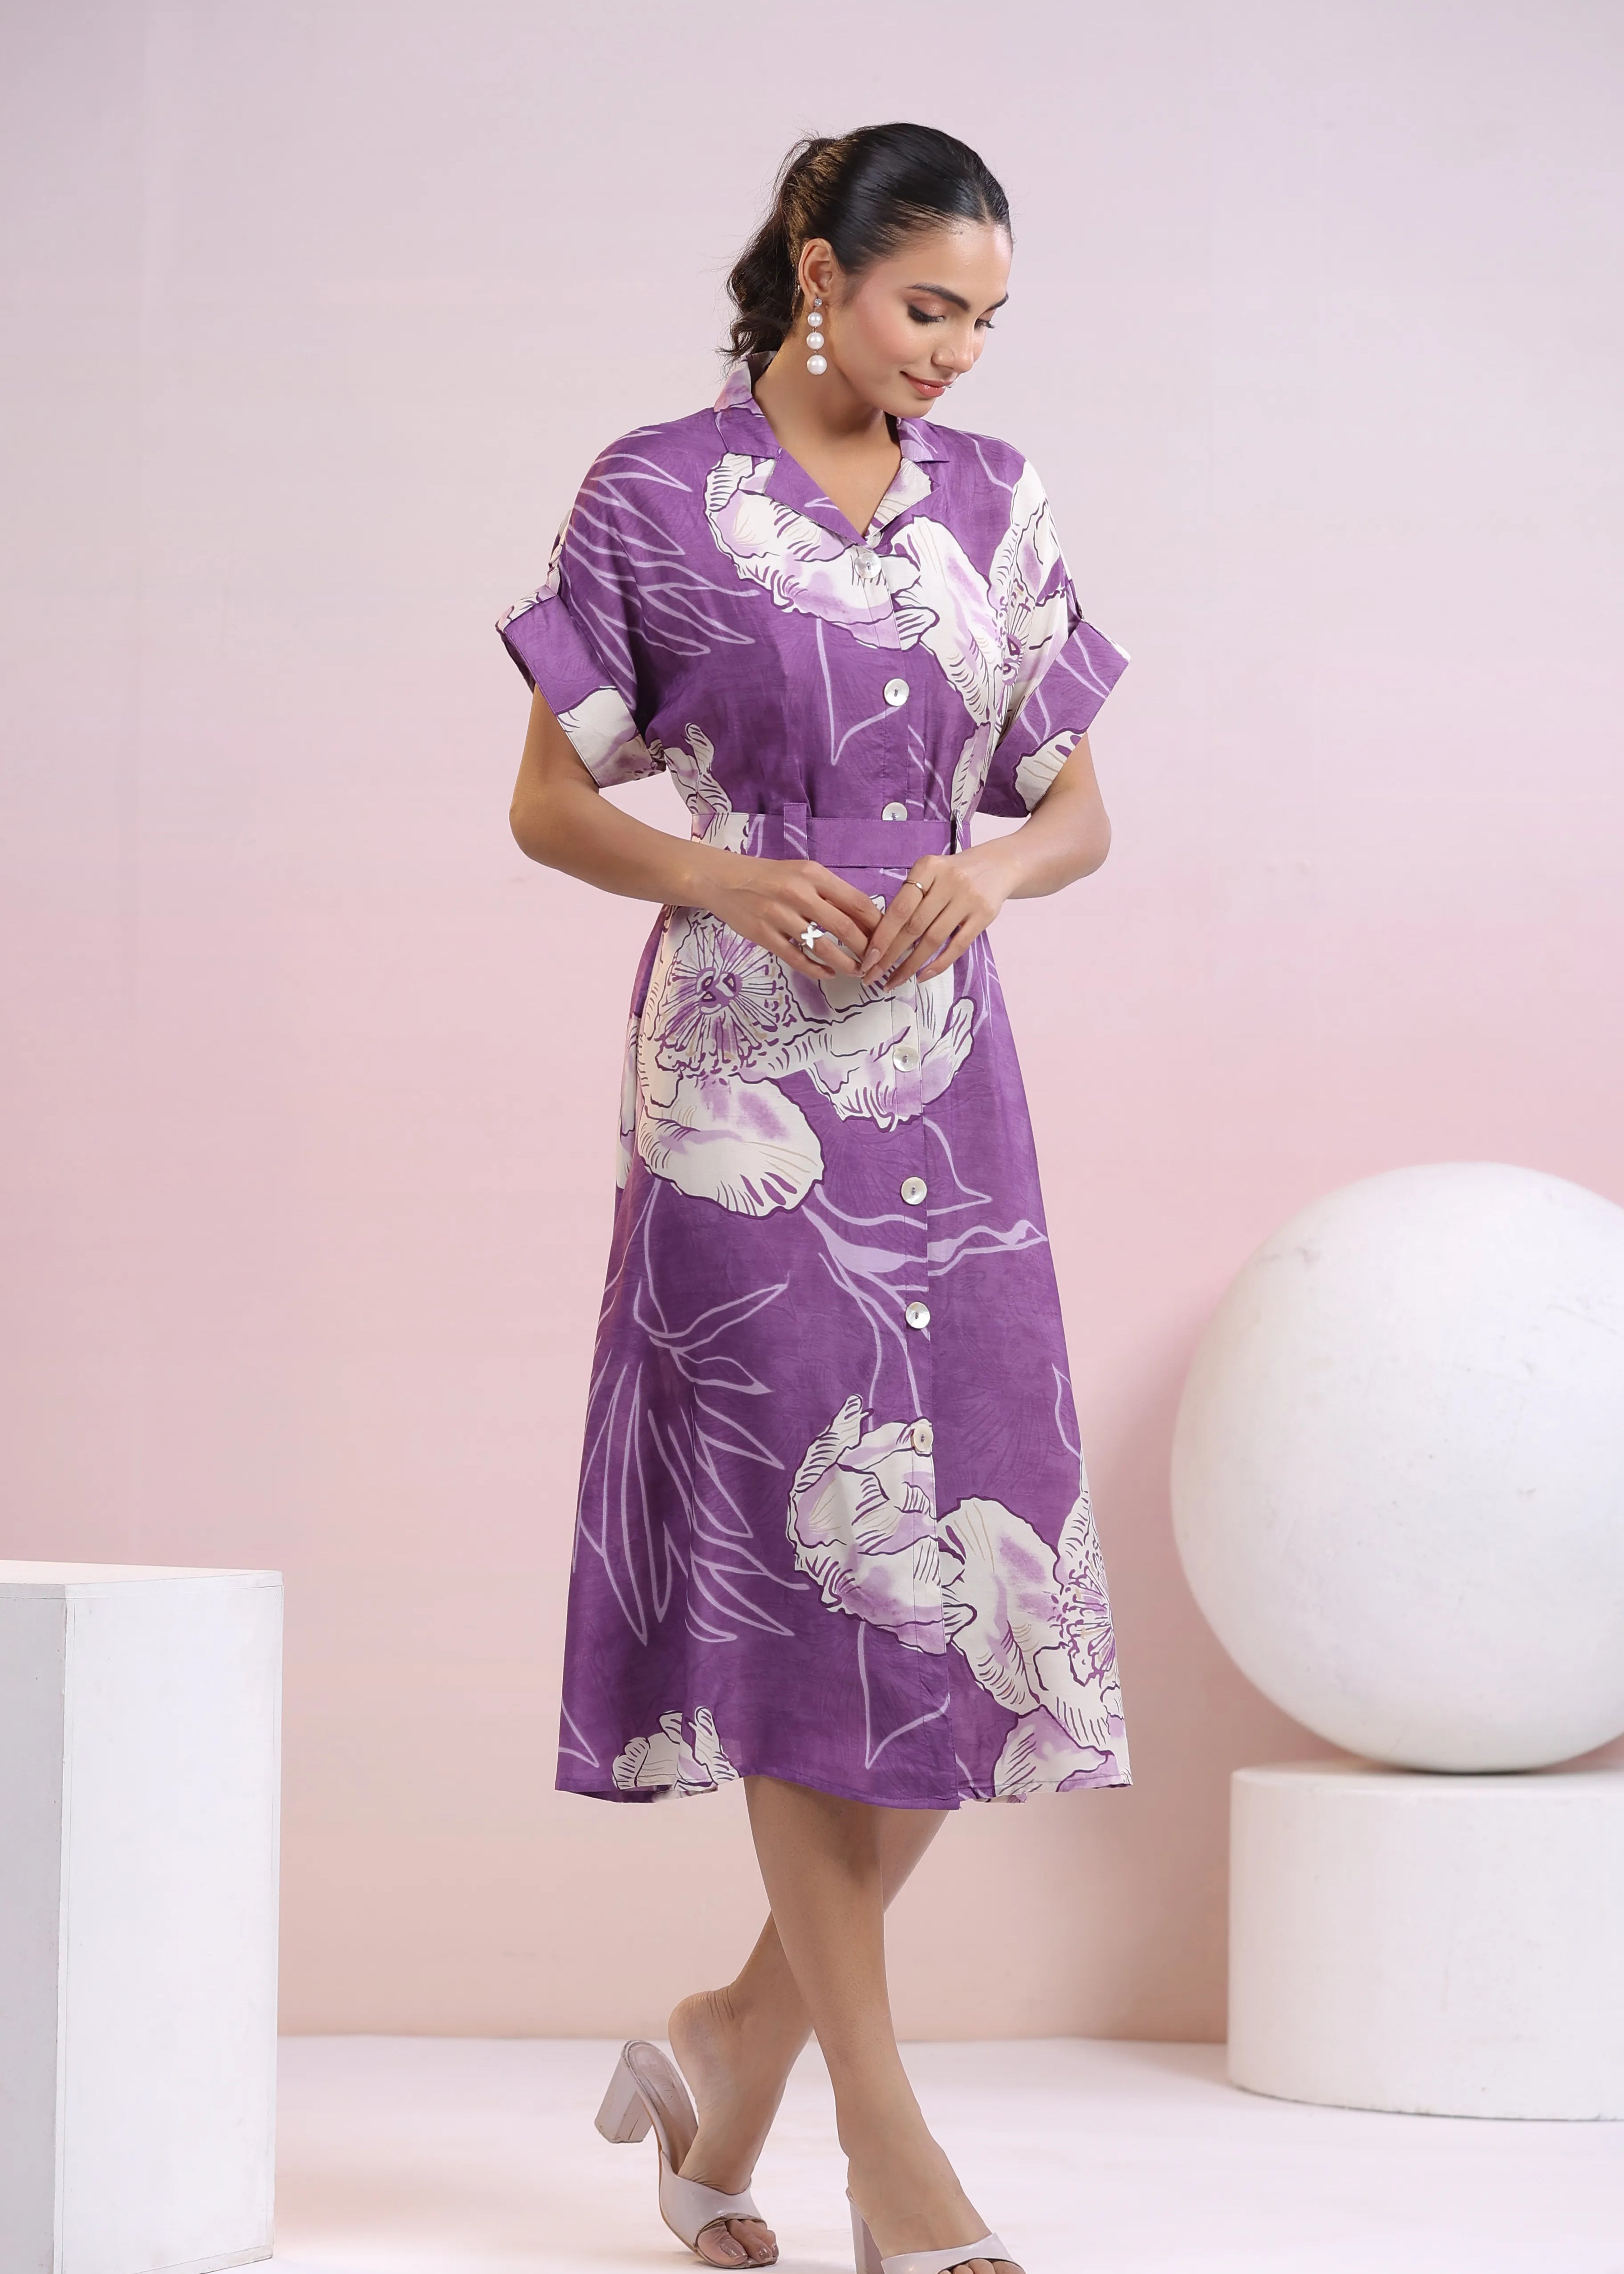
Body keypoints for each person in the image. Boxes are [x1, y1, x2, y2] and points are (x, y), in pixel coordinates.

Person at [502, 121, 1131, 2274]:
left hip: (948, 1083)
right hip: (738, 1089)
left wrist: (994, 869)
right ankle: (889, 2145)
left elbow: (1080, 805)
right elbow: (548, 801)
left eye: (984, 319)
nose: (952, 351)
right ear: (816, 268)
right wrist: (718, 868)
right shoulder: (653, 493)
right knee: (798, 1568)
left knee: (970, 1588)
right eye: (925, 305)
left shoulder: (1001, 500)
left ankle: (726, 2044)